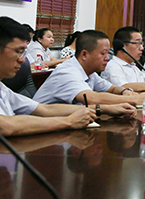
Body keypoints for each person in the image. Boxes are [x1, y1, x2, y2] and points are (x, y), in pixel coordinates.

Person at [0, 17, 135, 137]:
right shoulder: (67, 71)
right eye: (18, 51)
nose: (23, 60)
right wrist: (68, 121)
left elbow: (44, 109)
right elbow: (6, 126)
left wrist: (105, 109)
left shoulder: (3, 89)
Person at [33, 30, 145, 106]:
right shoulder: (67, 72)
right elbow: (91, 98)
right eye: (103, 53)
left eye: (108, 53)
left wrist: (125, 91)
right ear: (84, 55)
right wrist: (134, 99)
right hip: (40, 127)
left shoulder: (90, 73)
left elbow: (111, 89)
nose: (107, 58)